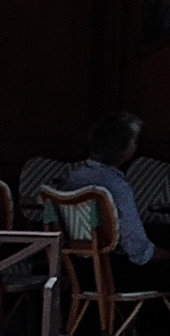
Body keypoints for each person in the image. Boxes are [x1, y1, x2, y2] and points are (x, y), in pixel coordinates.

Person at [55, 112, 154, 268]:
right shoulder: (117, 186)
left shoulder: (73, 178)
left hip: (75, 266)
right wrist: (160, 254)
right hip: (111, 268)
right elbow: (135, 245)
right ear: (127, 152)